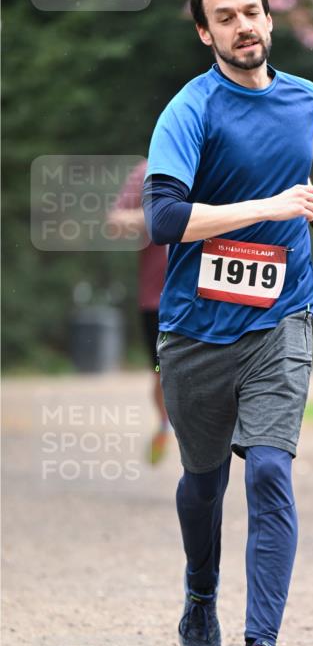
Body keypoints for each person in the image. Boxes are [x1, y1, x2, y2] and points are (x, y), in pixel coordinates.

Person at [142, 0, 313, 646]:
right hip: (196, 329)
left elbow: (286, 180)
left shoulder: (306, 97)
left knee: (269, 469)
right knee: (204, 482)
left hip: (281, 315)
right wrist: (267, 205)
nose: (244, 26)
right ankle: (199, 591)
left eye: (252, 12)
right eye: (225, 17)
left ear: (269, 20)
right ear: (205, 33)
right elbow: (166, 219)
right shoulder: (189, 109)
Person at [107, 158, 170, 464]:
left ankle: (199, 435)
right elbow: (116, 222)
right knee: (161, 371)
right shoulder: (148, 172)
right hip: (157, 300)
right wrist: (163, 217)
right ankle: (165, 423)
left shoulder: (216, 163)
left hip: (206, 296)